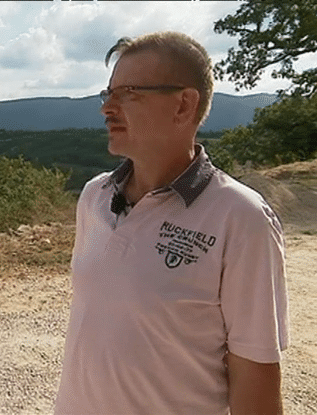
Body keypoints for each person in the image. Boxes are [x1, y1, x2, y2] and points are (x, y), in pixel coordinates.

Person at [55, 31, 288, 414]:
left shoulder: (241, 218)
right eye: (107, 93)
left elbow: (255, 374)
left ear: (184, 105)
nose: (107, 108)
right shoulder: (95, 197)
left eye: (128, 92)